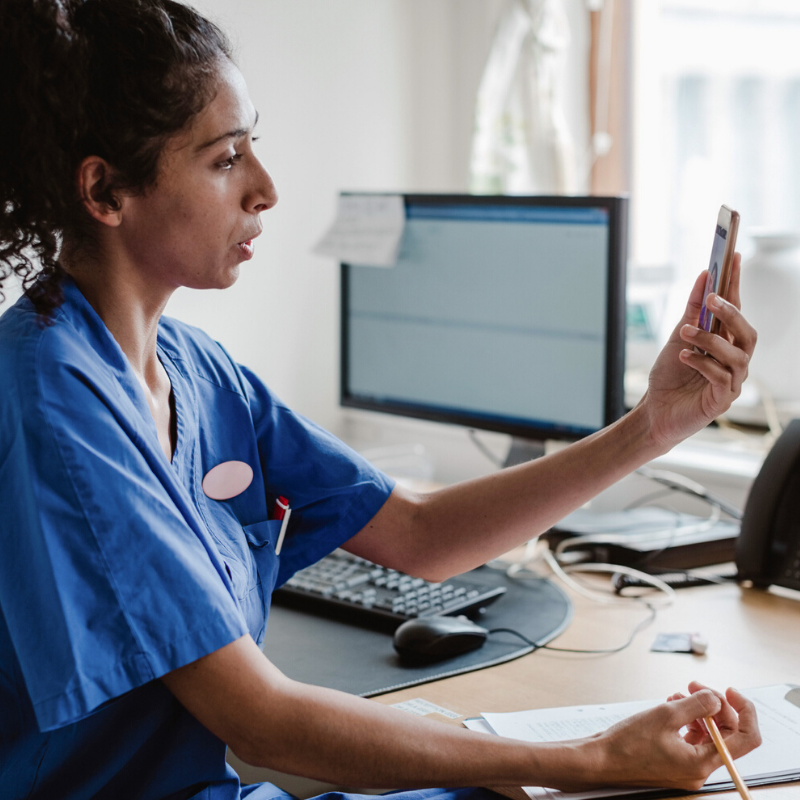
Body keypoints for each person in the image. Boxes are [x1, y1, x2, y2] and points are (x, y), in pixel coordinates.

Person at [0, 1, 761, 799]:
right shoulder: (54, 400)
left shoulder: (196, 370)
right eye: (226, 159)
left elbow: (420, 535)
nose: (266, 188)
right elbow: (261, 721)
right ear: (105, 191)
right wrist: (586, 758)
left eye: (254, 146)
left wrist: (653, 427)